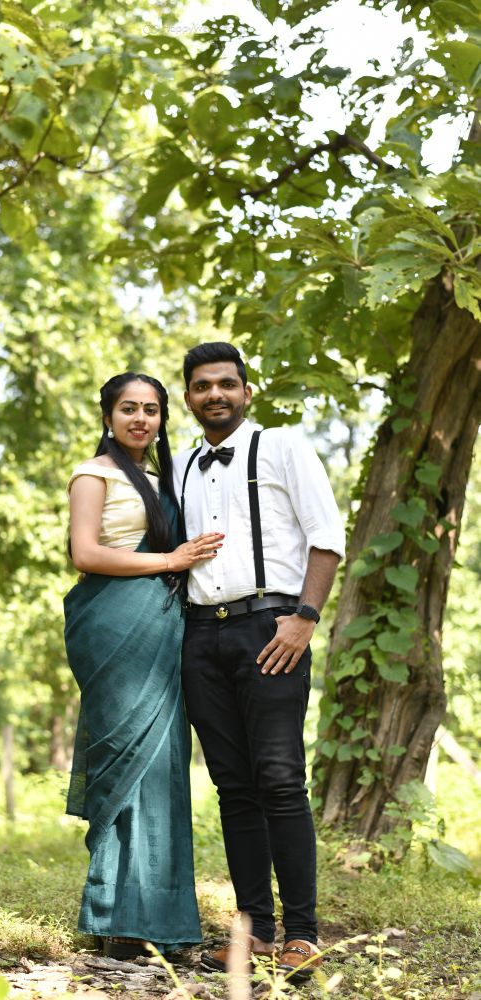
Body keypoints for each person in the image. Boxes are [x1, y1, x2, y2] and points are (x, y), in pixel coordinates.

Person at [173, 343, 345, 981]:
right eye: (202, 386)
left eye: (226, 383)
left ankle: (302, 933)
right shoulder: (181, 464)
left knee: (279, 778)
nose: (214, 394)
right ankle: (256, 930)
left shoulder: (283, 447)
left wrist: (305, 617)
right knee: (233, 786)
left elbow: (327, 537)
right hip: (201, 636)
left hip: (271, 628)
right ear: (188, 398)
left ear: (247, 391)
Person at [64, 372, 223, 957]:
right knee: (122, 763)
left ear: (162, 418)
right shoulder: (94, 474)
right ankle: (117, 921)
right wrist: (171, 560)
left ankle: (160, 920)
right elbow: (85, 553)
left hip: (165, 625)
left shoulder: (167, 479)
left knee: (164, 766)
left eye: (151, 410)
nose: (140, 419)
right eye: (128, 408)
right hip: (112, 625)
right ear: (108, 416)